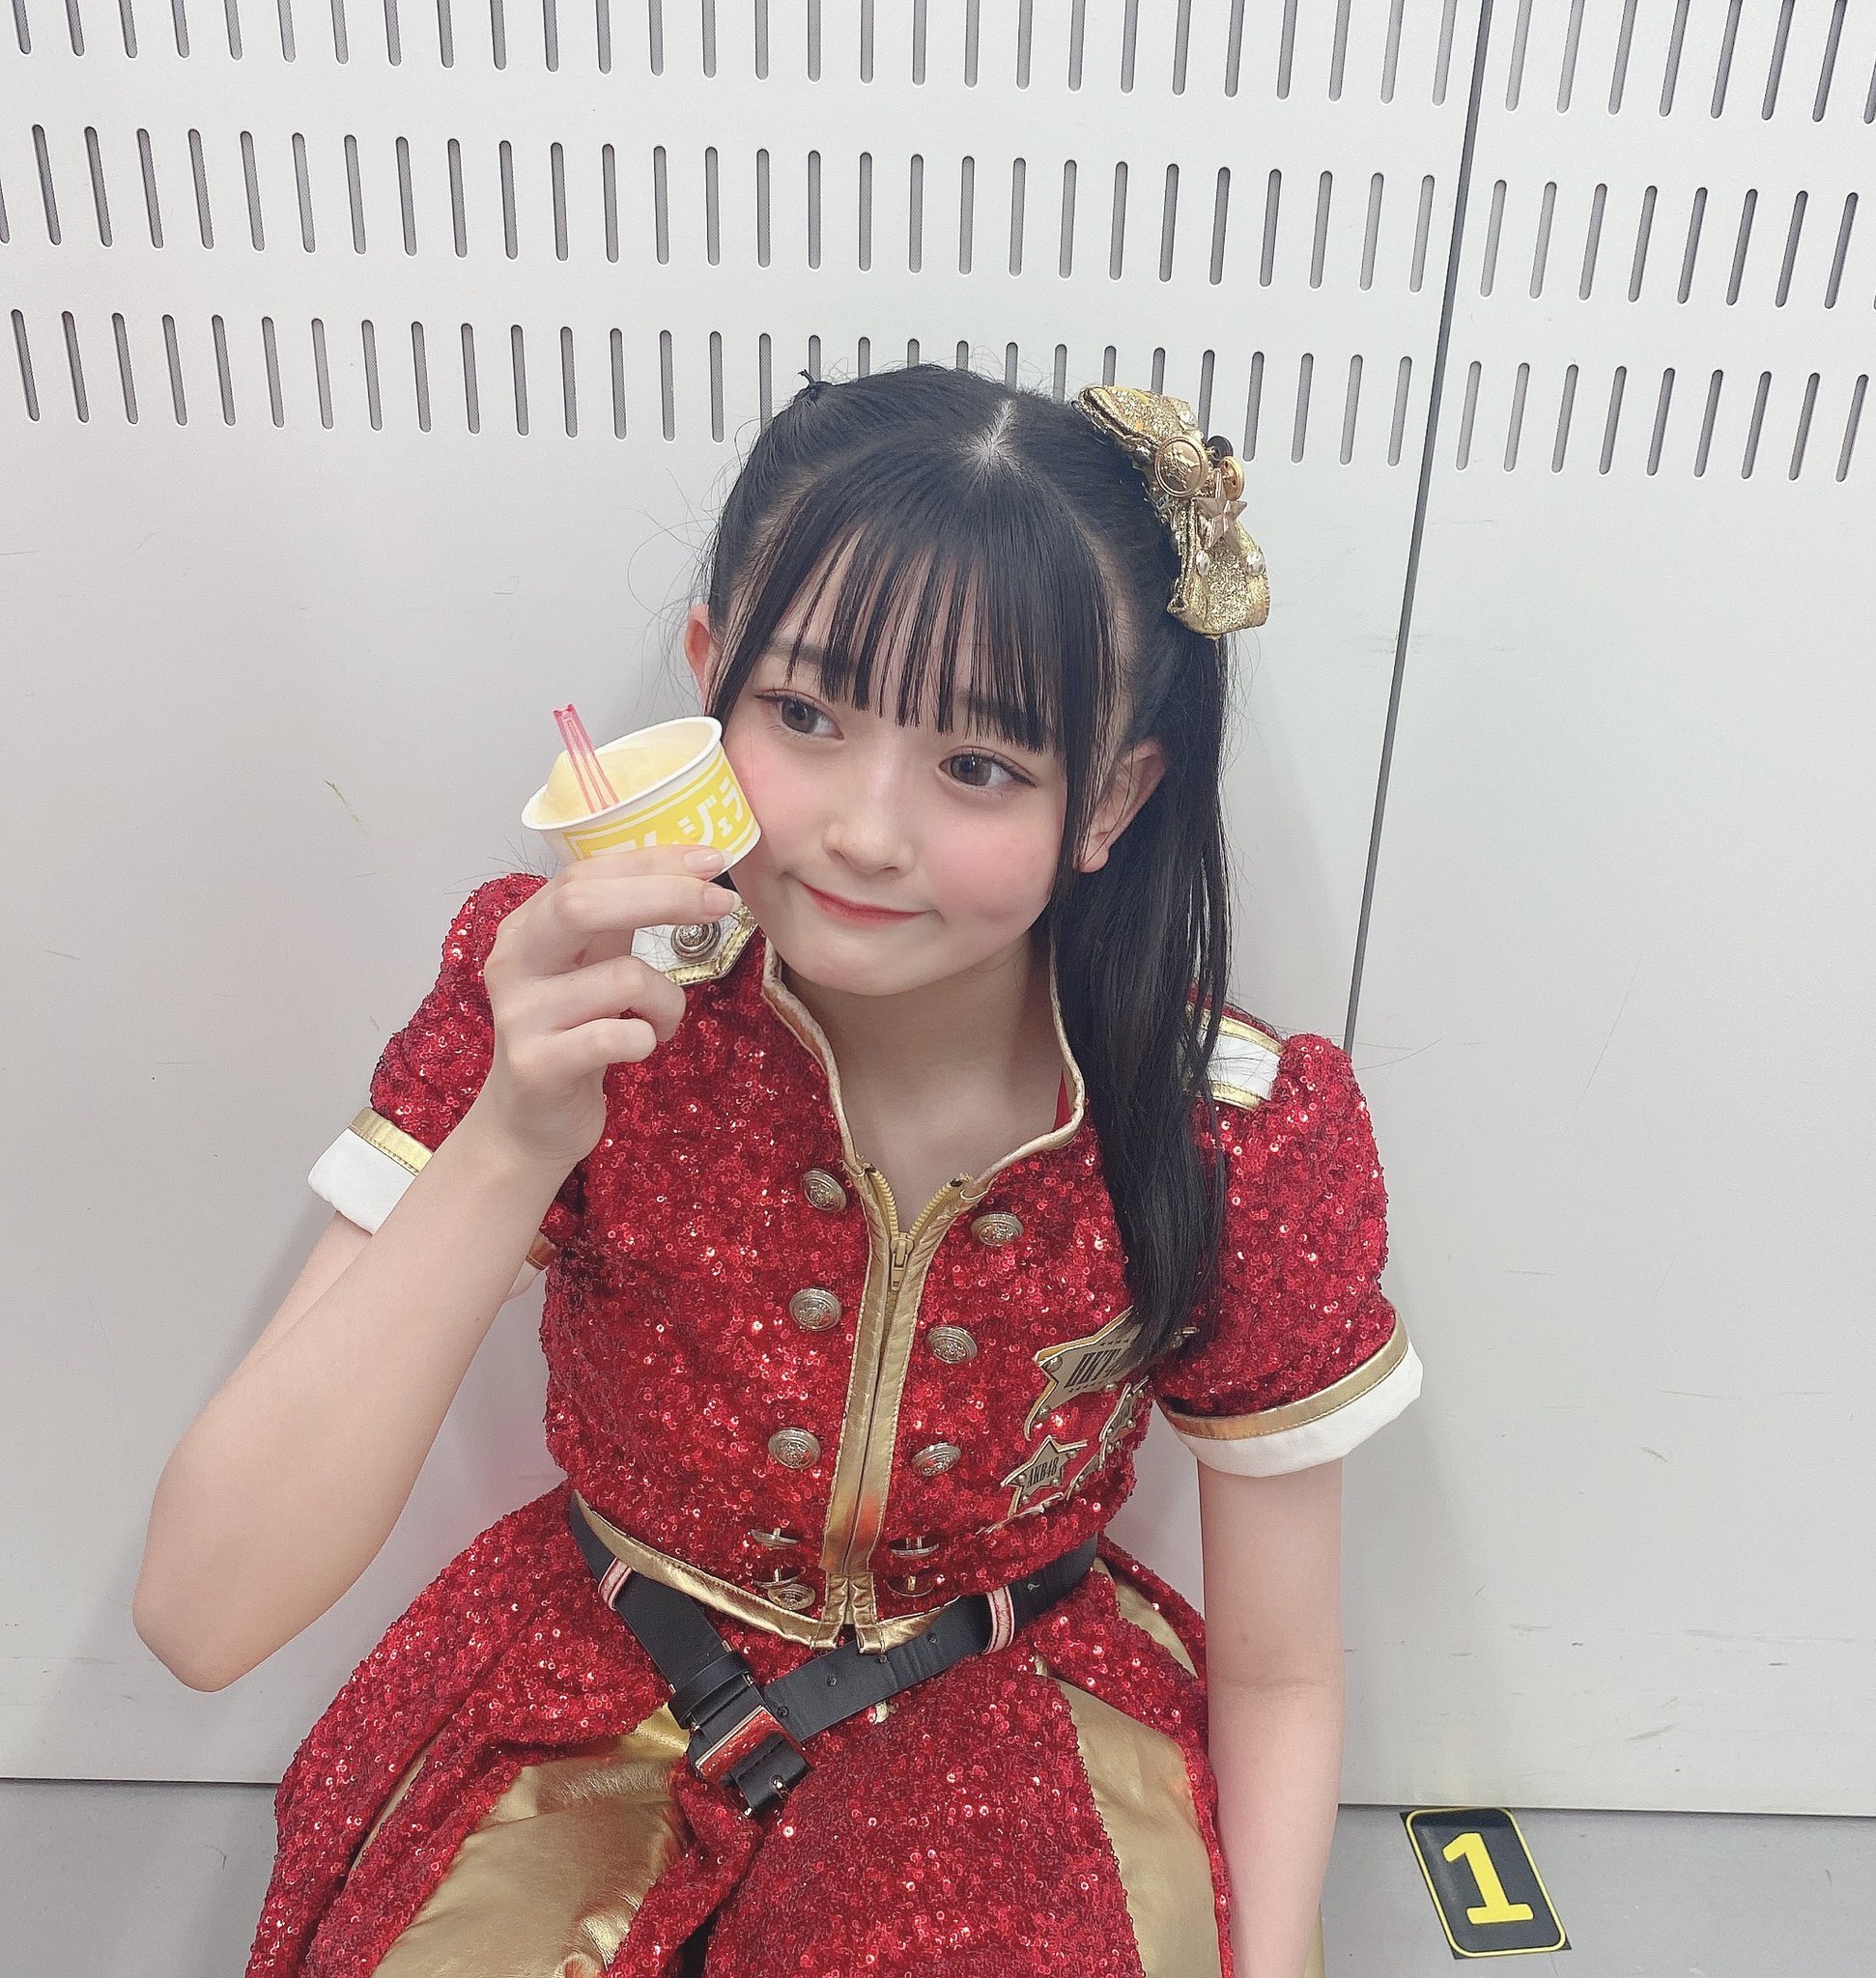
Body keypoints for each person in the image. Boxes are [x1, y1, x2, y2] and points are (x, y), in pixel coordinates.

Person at [133, 362, 1425, 1978]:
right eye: (806, 717)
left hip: (1026, 1786)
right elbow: (202, 1613)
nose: (864, 831)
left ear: (1112, 798)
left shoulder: (1233, 1127)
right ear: (709, 684)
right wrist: (514, 1140)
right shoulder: (559, 996)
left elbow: (1285, 1673)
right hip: (564, 1735)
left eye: (979, 765)